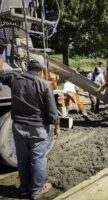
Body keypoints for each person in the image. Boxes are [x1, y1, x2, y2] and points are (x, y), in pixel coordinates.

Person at [0, 59, 60, 199]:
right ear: (41, 70)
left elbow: (2, 75)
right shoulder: (45, 84)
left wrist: (2, 67)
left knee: (22, 159)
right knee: (38, 158)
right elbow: (52, 111)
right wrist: (57, 126)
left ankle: (25, 189)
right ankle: (36, 190)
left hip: (18, 126)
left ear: (29, 68)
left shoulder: (15, 79)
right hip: (38, 127)